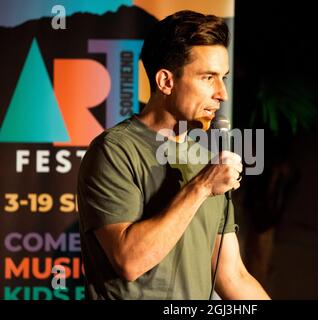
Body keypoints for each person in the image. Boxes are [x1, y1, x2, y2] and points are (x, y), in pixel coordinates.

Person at [77, 10, 270, 300]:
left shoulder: (207, 161)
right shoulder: (114, 150)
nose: (222, 93)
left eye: (223, 78)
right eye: (208, 77)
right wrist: (202, 186)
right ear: (166, 81)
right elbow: (130, 261)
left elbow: (232, 276)